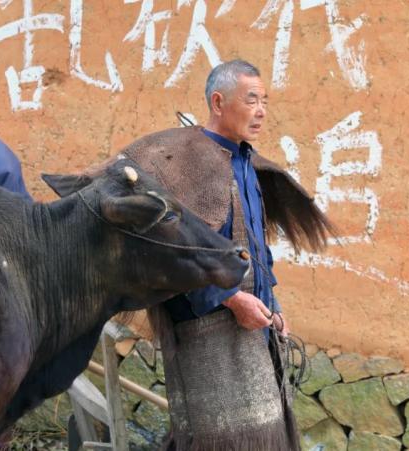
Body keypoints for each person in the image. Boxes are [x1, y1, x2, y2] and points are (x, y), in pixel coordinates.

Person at [114, 59, 333, 450]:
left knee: (263, 432)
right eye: (251, 100)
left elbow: (255, 247)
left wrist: (271, 302)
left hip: (253, 324)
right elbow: (169, 255)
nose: (262, 110)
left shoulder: (246, 162)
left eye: (264, 100)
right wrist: (232, 300)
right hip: (206, 328)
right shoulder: (180, 163)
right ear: (219, 102)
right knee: (220, 438)